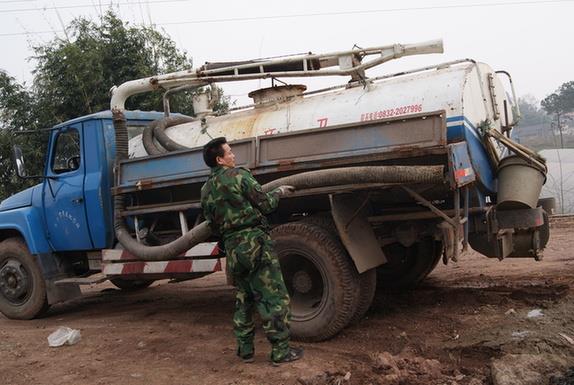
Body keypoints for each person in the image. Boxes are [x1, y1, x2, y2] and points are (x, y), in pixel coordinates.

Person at [200, 137, 303, 366]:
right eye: (229, 152)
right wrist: (279, 192)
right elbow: (265, 204)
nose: (233, 155)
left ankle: (245, 351)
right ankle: (281, 352)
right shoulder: (239, 175)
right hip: (255, 245)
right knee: (273, 297)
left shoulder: (206, 189)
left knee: (244, 299)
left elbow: (211, 224)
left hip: (234, 250)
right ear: (220, 159)